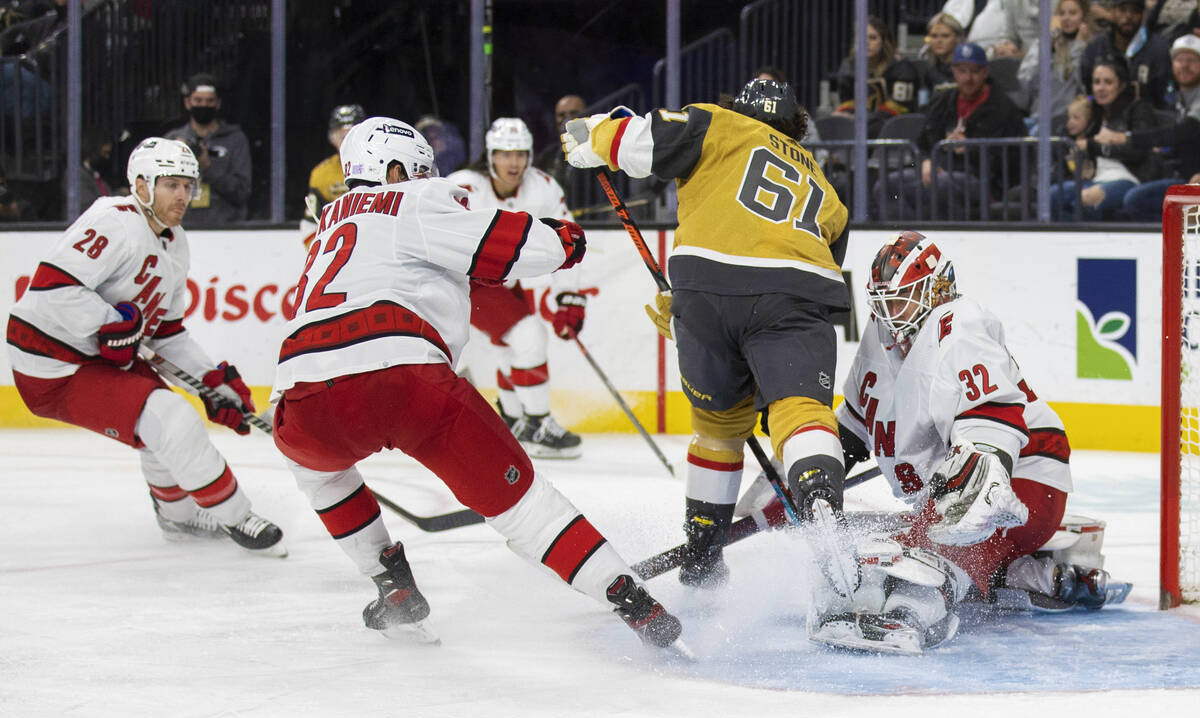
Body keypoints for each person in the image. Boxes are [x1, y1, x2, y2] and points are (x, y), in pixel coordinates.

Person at [269, 117, 683, 649]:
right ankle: (628, 596)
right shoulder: (414, 200)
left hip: (302, 389)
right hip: (407, 376)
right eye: (417, 170)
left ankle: (392, 587)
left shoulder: (327, 222)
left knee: (316, 472)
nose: (423, 177)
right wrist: (567, 242)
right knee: (525, 506)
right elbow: (506, 242)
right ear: (394, 170)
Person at [563, 79, 850, 589]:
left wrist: (592, 136)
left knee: (718, 426)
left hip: (704, 286)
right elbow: (825, 260)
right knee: (800, 412)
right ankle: (825, 513)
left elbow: (638, 137)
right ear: (796, 126)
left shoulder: (716, 122)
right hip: (797, 292)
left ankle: (703, 553)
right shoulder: (825, 189)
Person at [810, 232, 1110, 654]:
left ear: (936, 289)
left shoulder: (960, 324)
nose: (888, 313)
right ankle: (1036, 575)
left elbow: (993, 419)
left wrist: (975, 491)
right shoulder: (880, 341)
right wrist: (807, 470)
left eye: (900, 299)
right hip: (958, 485)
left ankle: (911, 612)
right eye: (881, 302)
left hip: (1022, 474)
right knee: (900, 541)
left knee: (938, 544)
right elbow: (853, 433)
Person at [4, 137, 285, 556]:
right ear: (140, 185)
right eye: (171, 184)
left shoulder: (176, 242)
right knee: (171, 418)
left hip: (92, 355)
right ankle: (236, 516)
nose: (183, 196)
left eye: (188, 186)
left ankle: (178, 516)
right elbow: (53, 289)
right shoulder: (113, 220)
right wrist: (109, 324)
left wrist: (212, 383)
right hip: (50, 361)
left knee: (162, 422)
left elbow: (166, 334)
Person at [447, 117, 585, 460]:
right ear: (490, 155)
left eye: (521, 154)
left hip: (505, 279)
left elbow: (566, 241)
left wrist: (569, 298)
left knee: (511, 348)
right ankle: (538, 425)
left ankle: (513, 418)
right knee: (529, 338)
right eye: (505, 154)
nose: (513, 162)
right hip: (462, 281)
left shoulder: (543, 187)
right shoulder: (462, 187)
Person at [879, 42, 1028, 221]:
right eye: (962, 71)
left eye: (974, 71)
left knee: (942, 184)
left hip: (981, 180)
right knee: (887, 185)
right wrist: (926, 161)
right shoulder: (943, 101)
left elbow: (1010, 158)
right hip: (939, 171)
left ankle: (950, 242)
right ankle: (909, 238)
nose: (968, 78)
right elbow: (923, 142)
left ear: (985, 72)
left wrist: (970, 148)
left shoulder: (1003, 108)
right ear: (953, 71)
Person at [1051, 56, 1159, 220]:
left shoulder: (1137, 109)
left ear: (1121, 85)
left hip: (1128, 179)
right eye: (1097, 82)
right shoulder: (1093, 113)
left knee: (1084, 200)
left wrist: (1094, 146)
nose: (1101, 88)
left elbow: (1137, 151)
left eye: (1108, 82)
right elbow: (1073, 138)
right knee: (1051, 196)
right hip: (1094, 179)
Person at [1120, 33, 1200, 220]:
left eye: (1192, 60)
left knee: (1136, 200)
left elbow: (1183, 132)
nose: (1185, 66)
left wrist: (1127, 138)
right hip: (1186, 177)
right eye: (1180, 60)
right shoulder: (1176, 97)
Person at [165, 72, 252, 226]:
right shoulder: (173, 140)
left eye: (209, 101)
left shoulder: (235, 139)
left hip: (228, 228)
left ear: (218, 103)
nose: (204, 106)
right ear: (187, 103)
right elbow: (162, 190)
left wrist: (208, 167)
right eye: (198, 100)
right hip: (183, 227)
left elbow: (242, 192)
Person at [831, 15, 923, 137]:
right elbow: (848, 102)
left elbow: (899, 108)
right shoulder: (848, 66)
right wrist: (842, 114)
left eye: (873, 38)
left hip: (895, 129)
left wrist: (861, 120)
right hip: (860, 126)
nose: (866, 42)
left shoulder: (902, 68)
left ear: (884, 42)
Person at [1079, 0, 1172, 108]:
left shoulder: (1158, 48)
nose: (1128, 16)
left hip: (1147, 118)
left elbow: (1164, 97)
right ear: (1112, 12)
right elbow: (1087, 93)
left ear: (1144, 15)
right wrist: (1093, 101)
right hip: (1103, 116)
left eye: (1135, 11)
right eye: (1122, 10)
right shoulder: (1096, 47)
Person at [1018, 0, 1091, 129]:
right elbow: (1025, 80)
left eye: (1073, 13)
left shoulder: (1090, 47)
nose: (1066, 18)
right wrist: (1048, 45)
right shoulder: (1044, 43)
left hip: (1071, 122)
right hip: (1038, 120)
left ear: (1084, 17)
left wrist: (1078, 46)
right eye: (1062, 13)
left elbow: (1077, 81)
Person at [300, 104, 364, 250]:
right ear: (332, 137)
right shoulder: (321, 174)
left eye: (352, 134)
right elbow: (310, 224)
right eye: (341, 135)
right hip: (337, 250)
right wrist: (326, 254)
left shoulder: (383, 167)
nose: (346, 141)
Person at [534, 94, 589, 210]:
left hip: (597, 223)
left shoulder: (603, 153)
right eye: (561, 115)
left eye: (573, 113)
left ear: (587, 116)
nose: (567, 119)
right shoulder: (548, 155)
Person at [918, 12, 968, 97]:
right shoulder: (924, 69)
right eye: (934, 36)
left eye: (945, 36)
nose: (939, 41)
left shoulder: (969, 69)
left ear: (958, 38)